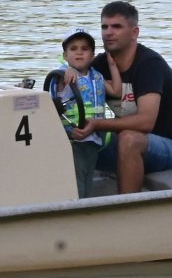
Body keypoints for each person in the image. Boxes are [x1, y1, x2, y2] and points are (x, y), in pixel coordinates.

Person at [88, 1, 172, 194]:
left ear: (134, 32)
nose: (108, 32)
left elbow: (146, 122)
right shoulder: (100, 65)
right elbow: (72, 89)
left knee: (129, 139)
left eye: (117, 27)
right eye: (104, 26)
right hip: (127, 142)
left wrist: (97, 124)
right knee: (69, 136)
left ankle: (127, 211)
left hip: (171, 147)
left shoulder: (149, 65)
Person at [45, 29, 120, 198]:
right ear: (65, 55)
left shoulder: (97, 77)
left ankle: (85, 206)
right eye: (73, 48)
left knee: (88, 178)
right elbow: (58, 83)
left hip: (93, 139)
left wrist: (113, 66)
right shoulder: (63, 76)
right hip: (73, 139)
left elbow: (116, 90)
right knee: (76, 180)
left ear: (92, 55)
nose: (79, 52)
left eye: (85, 49)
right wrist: (67, 70)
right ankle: (77, 209)